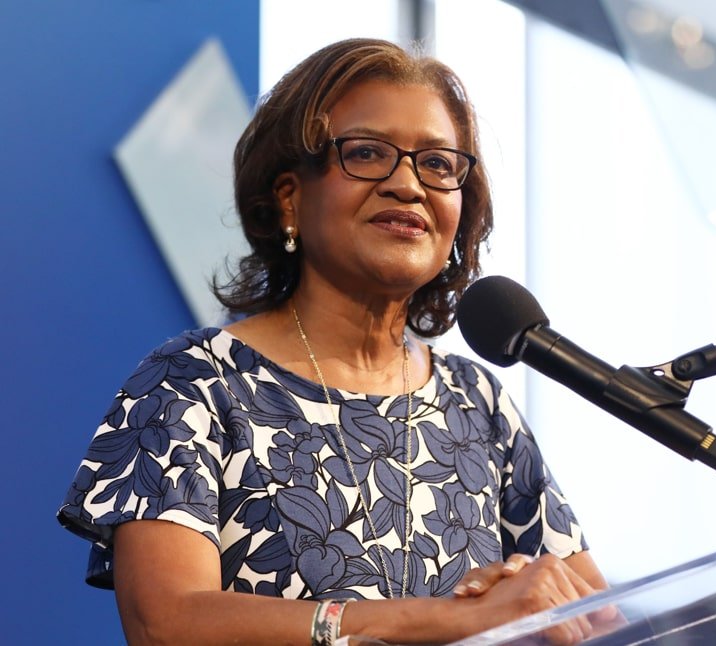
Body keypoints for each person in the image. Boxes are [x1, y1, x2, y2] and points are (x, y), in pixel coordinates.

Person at [57, 38, 617, 645]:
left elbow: (601, 620)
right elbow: (168, 625)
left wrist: (530, 594)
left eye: (437, 164)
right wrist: (451, 618)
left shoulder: (476, 402)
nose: (409, 185)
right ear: (290, 196)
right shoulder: (193, 383)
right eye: (369, 153)